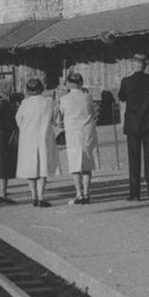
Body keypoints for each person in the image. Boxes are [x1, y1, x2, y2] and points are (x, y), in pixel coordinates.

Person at [117, 54, 149, 201]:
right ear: (145, 65)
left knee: (133, 158)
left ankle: (134, 193)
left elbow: (122, 97)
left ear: (133, 65)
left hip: (132, 124)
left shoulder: (126, 81)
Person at [57, 73, 98, 205]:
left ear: (69, 83)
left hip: (73, 133)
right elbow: (93, 113)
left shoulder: (64, 99)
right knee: (87, 163)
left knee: (75, 164)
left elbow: (59, 118)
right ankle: (87, 193)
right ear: (81, 83)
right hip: (87, 132)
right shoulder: (88, 97)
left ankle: (79, 194)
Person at [16, 77, 58, 207]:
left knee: (31, 168)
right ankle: (41, 196)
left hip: (28, 139)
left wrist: (25, 129)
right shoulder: (48, 101)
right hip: (43, 137)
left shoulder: (24, 103)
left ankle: (33, 196)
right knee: (42, 167)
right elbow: (54, 117)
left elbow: (18, 119)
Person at [0, 78, 18, 204]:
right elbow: (10, 123)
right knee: (4, 168)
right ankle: (2, 194)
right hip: (4, 139)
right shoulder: (4, 105)